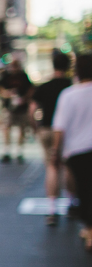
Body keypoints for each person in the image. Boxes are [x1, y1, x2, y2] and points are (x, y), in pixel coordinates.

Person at [30, 50, 75, 226]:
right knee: (67, 166)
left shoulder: (44, 86)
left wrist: (36, 127)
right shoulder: (72, 87)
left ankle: (51, 208)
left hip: (46, 129)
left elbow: (32, 109)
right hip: (67, 132)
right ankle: (71, 202)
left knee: (51, 166)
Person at [52, 53, 92, 251]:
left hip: (77, 151)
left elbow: (59, 127)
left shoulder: (69, 95)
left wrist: (55, 151)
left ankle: (89, 230)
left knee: (84, 189)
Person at [0, 58, 33, 164]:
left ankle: (19, 151)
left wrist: (25, 98)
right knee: (7, 127)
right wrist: (7, 94)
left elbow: (31, 89)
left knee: (22, 128)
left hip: (21, 108)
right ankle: (7, 150)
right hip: (9, 107)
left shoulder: (23, 76)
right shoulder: (6, 76)